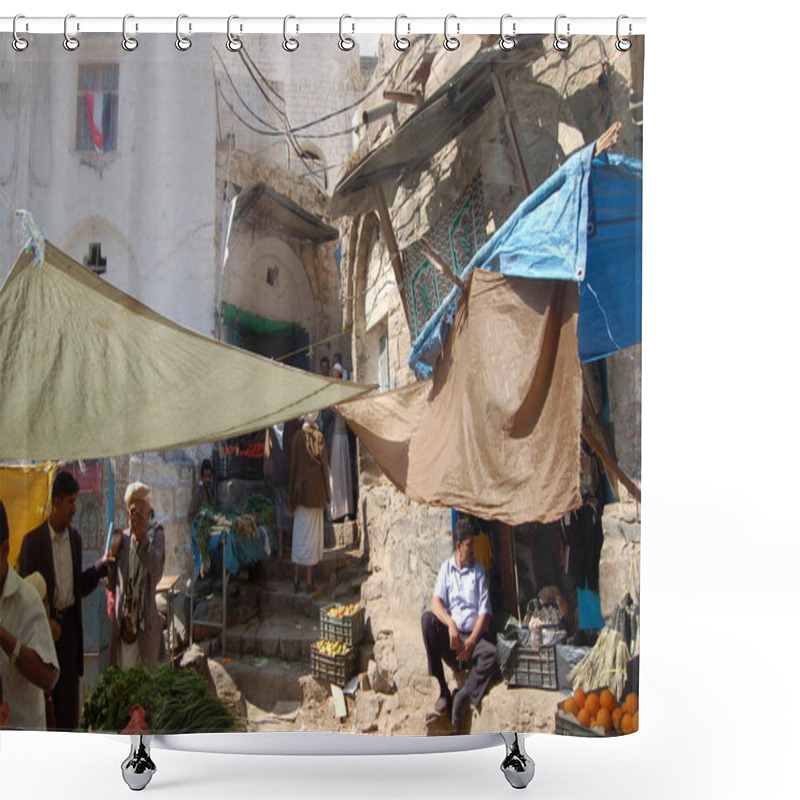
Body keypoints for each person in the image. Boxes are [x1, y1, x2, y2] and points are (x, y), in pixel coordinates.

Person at [18, 471, 112, 730]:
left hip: (69, 635)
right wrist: (45, 621)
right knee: (44, 709)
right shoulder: (32, 543)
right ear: (56, 502)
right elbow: (25, 596)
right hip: (42, 637)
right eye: (70, 502)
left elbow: (76, 586)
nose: (75, 509)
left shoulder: (76, 539)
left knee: (69, 711)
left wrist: (100, 567)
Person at [421, 518, 497, 729]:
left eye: (473, 545)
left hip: (471, 640)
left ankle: (463, 694)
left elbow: (485, 612)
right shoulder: (446, 569)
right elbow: (435, 603)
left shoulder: (478, 571)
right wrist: (450, 623)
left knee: (491, 654)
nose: (473, 549)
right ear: (458, 546)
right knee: (427, 621)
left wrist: (472, 640)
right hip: (453, 641)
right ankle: (443, 689)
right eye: (469, 545)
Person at [1, 500, 60, 730]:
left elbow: (48, 677)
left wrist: (3, 637)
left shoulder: (27, 600)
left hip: (23, 741)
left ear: (4, 549)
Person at [107, 482, 166, 669]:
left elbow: (156, 572)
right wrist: (110, 556)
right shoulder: (121, 540)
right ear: (128, 514)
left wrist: (143, 541)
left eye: (143, 510)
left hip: (145, 632)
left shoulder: (156, 536)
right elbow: (110, 582)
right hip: (124, 633)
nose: (138, 516)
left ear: (149, 513)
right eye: (134, 511)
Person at [288, 413, 331, 594]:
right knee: (312, 538)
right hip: (316, 494)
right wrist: (327, 494)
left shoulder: (297, 438)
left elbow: (293, 468)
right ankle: (308, 580)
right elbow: (324, 467)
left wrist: (291, 496)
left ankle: (296, 579)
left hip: (300, 494)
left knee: (299, 537)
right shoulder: (320, 437)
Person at [266, 418, 302, 560]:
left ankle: (282, 551)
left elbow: (268, 452)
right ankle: (293, 549)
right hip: (289, 474)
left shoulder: (270, 428)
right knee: (293, 511)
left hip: (279, 475)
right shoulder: (293, 424)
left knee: (280, 513)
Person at [327, 363, 355, 522]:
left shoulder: (344, 393)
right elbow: (326, 416)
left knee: (344, 475)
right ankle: (335, 510)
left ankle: (346, 510)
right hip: (335, 438)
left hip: (343, 438)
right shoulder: (331, 392)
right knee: (335, 476)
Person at [188, 458, 215, 526]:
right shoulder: (198, 493)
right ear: (202, 477)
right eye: (205, 476)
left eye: (209, 476)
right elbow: (190, 516)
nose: (207, 479)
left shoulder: (212, 492)